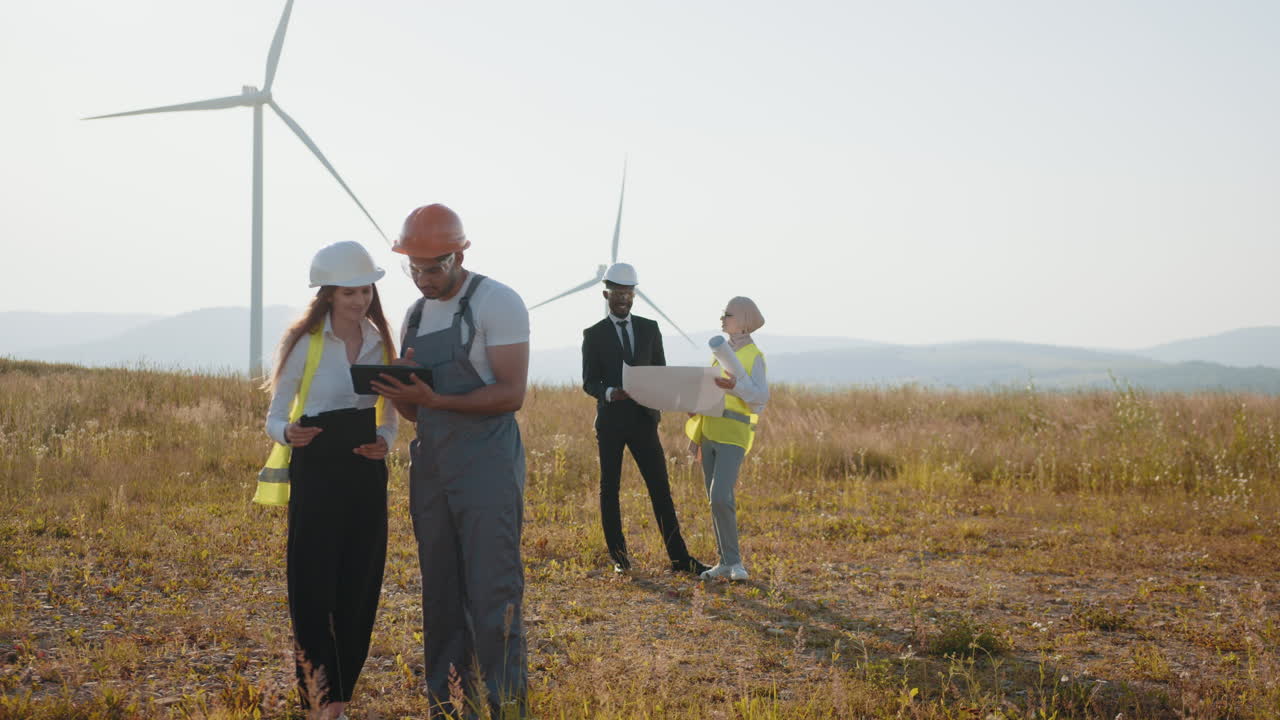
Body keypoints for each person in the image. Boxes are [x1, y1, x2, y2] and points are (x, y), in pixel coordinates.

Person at [369, 204, 529, 718]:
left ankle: (506, 707)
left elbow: (511, 393)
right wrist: (398, 390)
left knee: (492, 590)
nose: (422, 278)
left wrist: (437, 402)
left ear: (459, 253)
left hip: (486, 466)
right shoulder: (415, 314)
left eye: (434, 267)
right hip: (433, 466)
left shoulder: (497, 302)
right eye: (412, 267)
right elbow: (417, 412)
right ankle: (447, 704)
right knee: (440, 593)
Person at [261, 240, 397, 720]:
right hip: (316, 469)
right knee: (314, 588)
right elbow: (275, 415)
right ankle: (319, 699)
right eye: (348, 292)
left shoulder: (382, 341)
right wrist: (289, 433)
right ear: (328, 295)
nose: (359, 300)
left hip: (365, 470)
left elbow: (390, 413)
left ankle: (338, 700)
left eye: (365, 290)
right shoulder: (305, 343)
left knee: (360, 587)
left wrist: (385, 440)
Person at [582, 262, 708, 576]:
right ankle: (620, 560)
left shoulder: (650, 328)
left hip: (644, 421)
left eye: (628, 293)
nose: (623, 299)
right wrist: (612, 392)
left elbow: (661, 373)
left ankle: (680, 559)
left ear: (634, 294)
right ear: (605, 293)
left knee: (660, 489)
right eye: (617, 294)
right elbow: (589, 382)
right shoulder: (593, 335)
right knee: (609, 490)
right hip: (611, 422)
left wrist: (674, 398)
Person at [686, 297, 769, 582]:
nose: (722, 319)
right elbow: (712, 390)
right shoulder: (718, 353)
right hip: (709, 431)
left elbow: (760, 397)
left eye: (728, 315)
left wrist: (735, 386)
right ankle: (724, 562)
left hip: (734, 434)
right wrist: (696, 404)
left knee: (722, 495)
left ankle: (735, 562)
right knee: (714, 499)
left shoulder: (754, 356)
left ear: (744, 319)